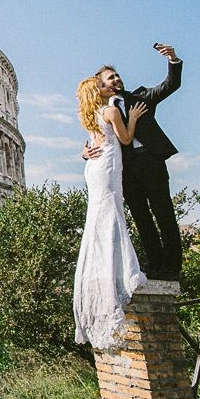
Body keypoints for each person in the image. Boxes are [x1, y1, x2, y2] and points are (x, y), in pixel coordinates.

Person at [83, 45, 184, 280]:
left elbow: (170, 84)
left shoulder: (141, 97)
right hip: (124, 169)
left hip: (150, 161)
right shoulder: (102, 110)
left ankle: (172, 266)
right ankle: (156, 264)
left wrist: (173, 59)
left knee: (163, 212)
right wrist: (85, 152)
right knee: (141, 217)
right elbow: (99, 138)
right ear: (101, 86)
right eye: (110, 78)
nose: (116, 79)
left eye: (117, 75)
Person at [73, 77, 148, 351]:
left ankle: (105, 275)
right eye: (104, 85)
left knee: (98, 220)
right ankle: (122, 274)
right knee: (113, 215)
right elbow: (126, 139)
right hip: (107, 167)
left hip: (94, 168)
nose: (110, 87)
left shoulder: (90, 114)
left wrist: (84, 153)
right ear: (98, 91)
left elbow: (92, 143)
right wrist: (135, 118)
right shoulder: (112, 111)